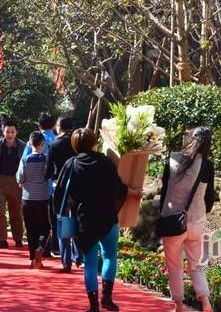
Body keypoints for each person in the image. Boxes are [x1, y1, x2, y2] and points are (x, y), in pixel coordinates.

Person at [59, 127, 141, 312]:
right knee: (110, 256)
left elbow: (63, 191)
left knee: (90, 262)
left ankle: (93, 305)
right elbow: (118, 187)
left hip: (84, 220)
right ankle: (107, 298)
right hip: (107, 217)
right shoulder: (105, 162)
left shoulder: (71, 164)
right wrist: (134, 193)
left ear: (74, 145)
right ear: (94, 143)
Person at [160, 127, 216, 312]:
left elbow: (164, 191)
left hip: (173, 220)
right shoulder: (207, 165)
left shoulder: (173, 159)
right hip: (197, 221)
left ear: (191, 139)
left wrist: (163, 214)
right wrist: (201, 213)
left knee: (174, 265)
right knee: (197, 266)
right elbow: (209, 198)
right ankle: (205, 300)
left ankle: (178, 304)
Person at [47, 116, 81, 272]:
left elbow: (49, 170)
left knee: (62, 221)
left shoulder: (54, 144)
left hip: (61, 187)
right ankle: (79, 255)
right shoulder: (78, 142)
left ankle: (66, 261)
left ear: (59, 126)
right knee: (78, 219)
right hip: (80, 187)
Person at [16, 131, 51, 268]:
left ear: (30, 144)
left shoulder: (25, 159)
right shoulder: (47, 158)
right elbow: (50, 174)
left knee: (31, 228)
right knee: (45, 227)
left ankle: (32, 258)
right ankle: (41, 248)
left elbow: (20, 177)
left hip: (27, 197)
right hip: (42, 197)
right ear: (43, 144)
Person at [0, 119, 25, 248]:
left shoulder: (22, 146)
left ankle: (18, 238)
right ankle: (1, 239)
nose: (9, 134)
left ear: (16, 132)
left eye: (12, 132)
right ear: (3, 132)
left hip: (16, 182)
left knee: (16, 211)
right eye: (7, 132)